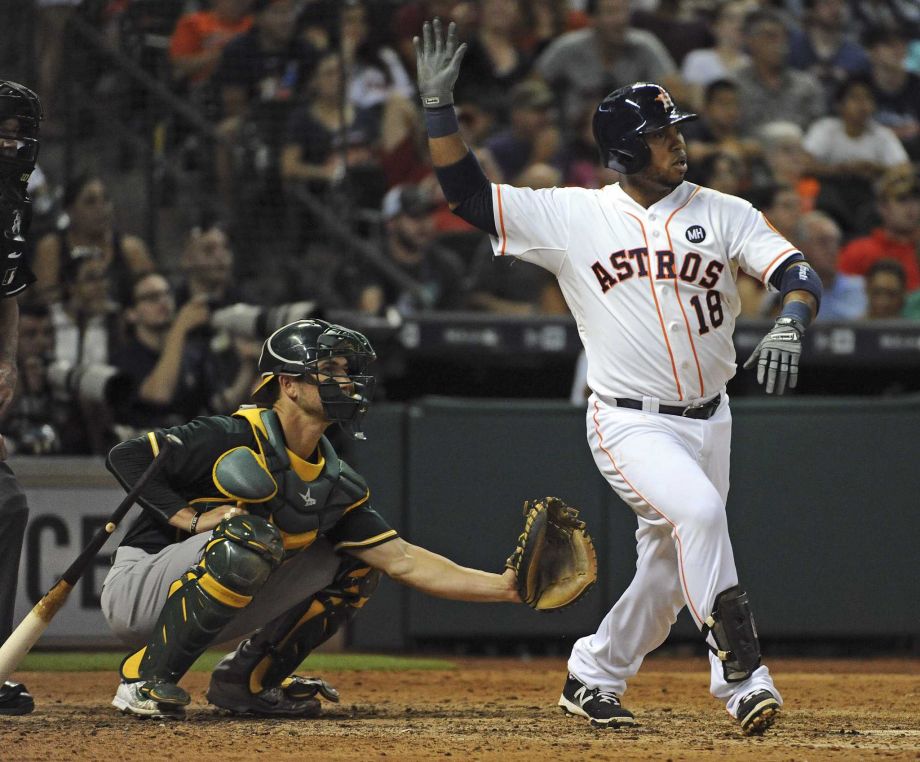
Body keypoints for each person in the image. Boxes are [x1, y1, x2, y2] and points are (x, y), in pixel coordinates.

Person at [414, 19, 826, 734]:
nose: (679, 142)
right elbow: (469, 198)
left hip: (711, 416)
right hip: (629, 420)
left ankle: (593, 674)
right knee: (698, 515)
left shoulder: (722, 212)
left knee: (667, 580)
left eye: (676, 130)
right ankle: (743, 678)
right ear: (625, 149)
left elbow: (795, 269)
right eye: (664, 134)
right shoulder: (574, 216)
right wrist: (438, 114)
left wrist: (792, 316)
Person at [101, 318, 520, 719]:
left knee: (359, 562)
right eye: (328, 369)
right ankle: (145, 678)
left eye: (345, 369)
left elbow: (403, 559)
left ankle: (246, 681)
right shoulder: (228, 435)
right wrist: (191, 518)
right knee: (250, 537)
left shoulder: (336, 481)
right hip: (140, 590)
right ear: (289, 385)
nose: (344, 380)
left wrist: (504, 589)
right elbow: (128, 455)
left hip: (222, 599)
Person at [0, 80, 43, 715]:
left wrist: (7, 357)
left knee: (5, 506)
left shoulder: (13, 200)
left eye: (18, 131)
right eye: (1, 129)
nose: (11, 140)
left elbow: (7, 286)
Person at [32, 173, 154, 307]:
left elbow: (152, 296)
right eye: (90, 202)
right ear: (70, 210)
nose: (102, 208)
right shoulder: (52, 247)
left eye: (106, 199)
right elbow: (44, 302)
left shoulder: (131, 249)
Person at [837, 167, 920, 290]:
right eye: (902, 200)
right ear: (882, 207)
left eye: (916, 199)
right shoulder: (858, 253)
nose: (911, 208)